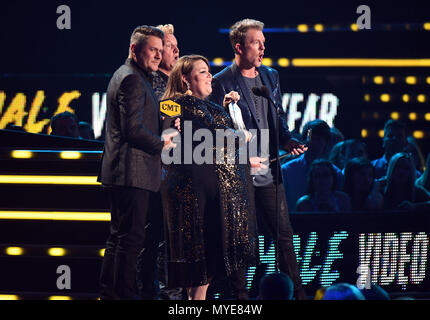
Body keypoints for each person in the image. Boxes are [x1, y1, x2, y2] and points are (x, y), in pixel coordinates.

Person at [209, 18, 307, 300]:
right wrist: (243, 158)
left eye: (263, 42)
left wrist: (287, 139)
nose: (263, 47)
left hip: (267, 167)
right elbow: (220, 133)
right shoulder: (221, 82)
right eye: (256, 42)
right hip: (240, 171)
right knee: (243, 238)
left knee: (283, 235)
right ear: (239, 47)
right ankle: (240, 297)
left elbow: (277, 114)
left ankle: (297, 294)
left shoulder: (271, 76)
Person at [160, 54, 259, 300]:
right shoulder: (176, 103)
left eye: (208, 71)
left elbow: (212, 129)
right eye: (202, 71)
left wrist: (226, 110)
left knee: (207, 271)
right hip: (194, 194)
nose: (210, 76)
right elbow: (172, 133)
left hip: (217, 194)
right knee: (198, 266)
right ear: (185, 79)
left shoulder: (211, 106)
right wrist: (239, 137)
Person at [98, 25, 177, 300]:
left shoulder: (132, 75)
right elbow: (132, 129)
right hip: (131, 173)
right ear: (134, 49)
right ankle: (124, 295)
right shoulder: (132, 78)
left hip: (127, 172)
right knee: (130, 241)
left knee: (119, 239)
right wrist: (162, 143)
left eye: (160, 50)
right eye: (152, 50)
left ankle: (111, 293)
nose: (158, 56)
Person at [282, 120, 343, 211]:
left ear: (326, 142)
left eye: (319, 139)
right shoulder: (286, 171)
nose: (314, 143)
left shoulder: (336, 173)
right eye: (312, 139)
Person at [152, 24, 179, 100]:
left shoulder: (181, 84)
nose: (176, 50)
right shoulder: (150, 83)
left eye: (176, 45)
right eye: (169, 45)